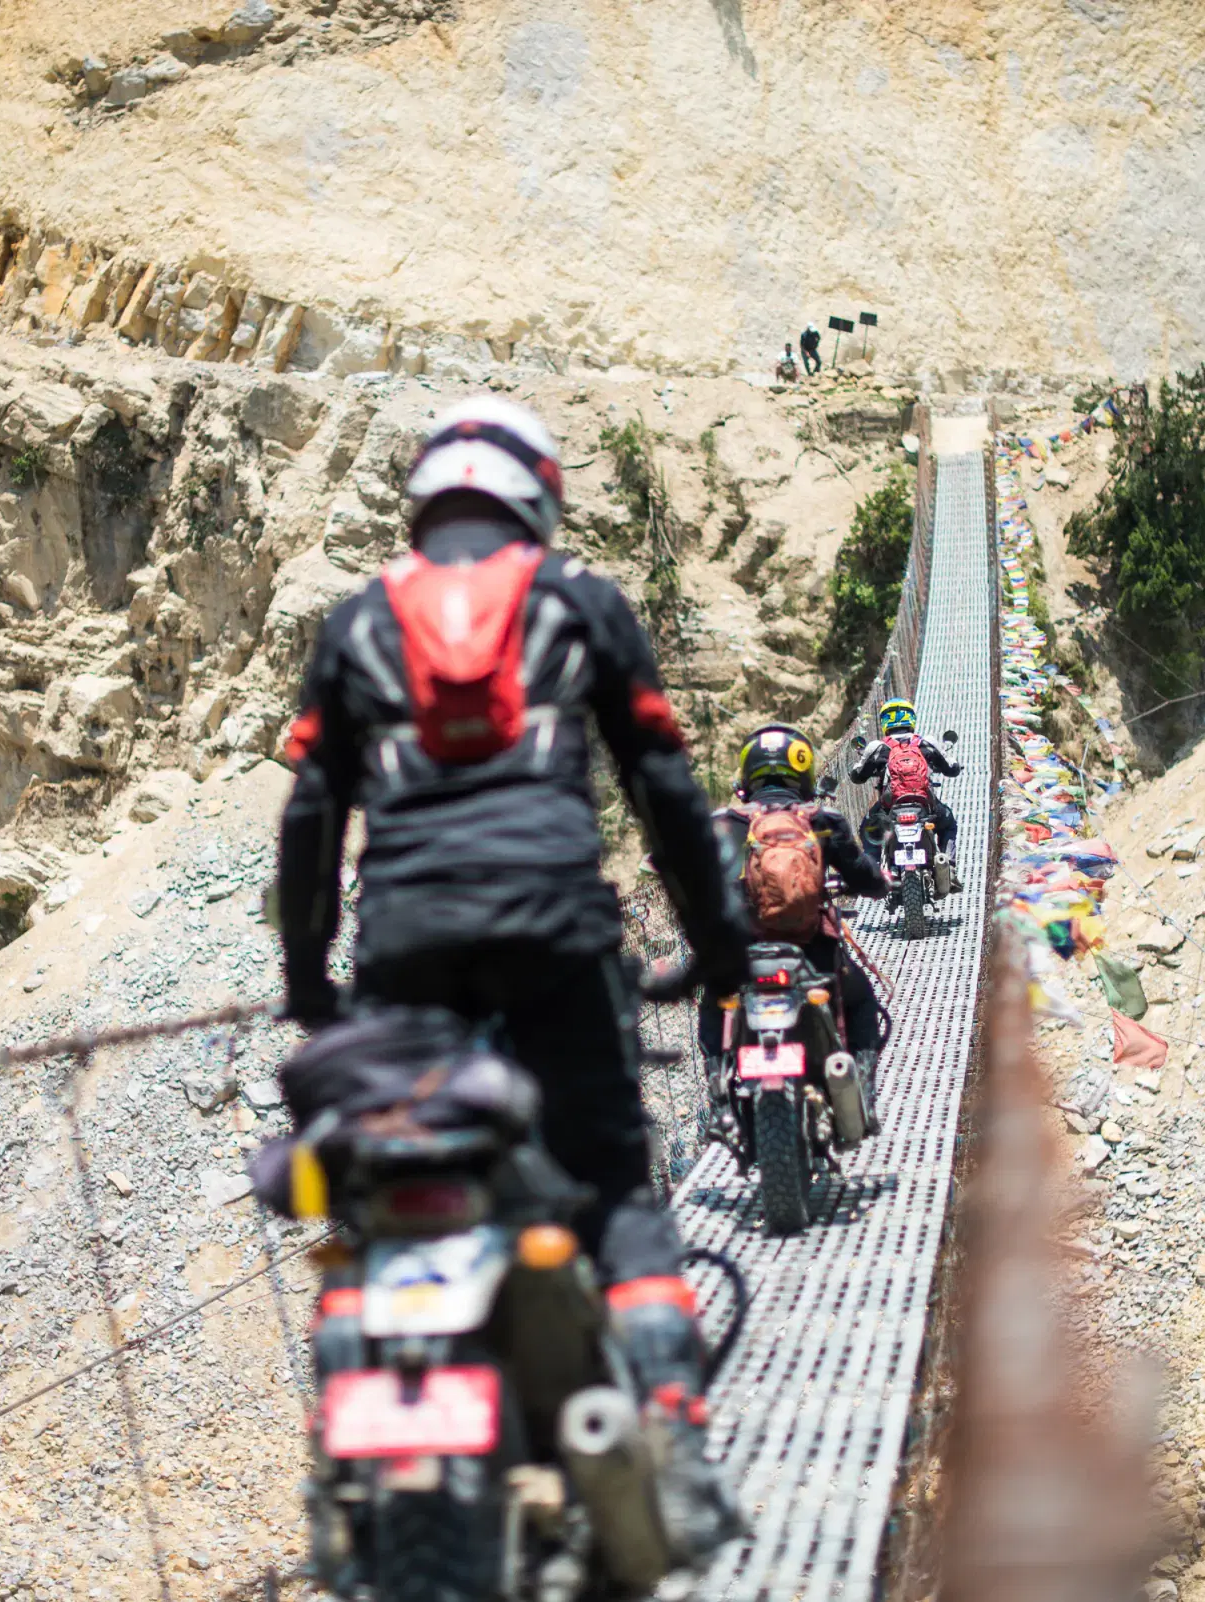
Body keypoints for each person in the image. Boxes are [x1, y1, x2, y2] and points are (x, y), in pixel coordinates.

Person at [274, 394, 750, 1564]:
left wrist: (312, 986)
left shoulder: (353, 623)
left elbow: (310, 818)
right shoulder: (580, 603)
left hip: (402, 957)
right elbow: (669, 796)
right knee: (616, 1192)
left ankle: (355, 1445)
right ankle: (675, 1447)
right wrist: (720, 942)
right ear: (537, 496)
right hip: (558, 941)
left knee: (378, 1188)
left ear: (424, 502)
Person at [698, 724, 890, 1075]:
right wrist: (880, 886)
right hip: (812, 949)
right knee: (861, 1000)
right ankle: (860, 1086)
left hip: (739, 953)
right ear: (804, 773)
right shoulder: (821, 820)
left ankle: (718, 1090)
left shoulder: (722, 824)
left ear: (747, 774)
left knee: (713, 1003)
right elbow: (862, 875)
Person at [848, 698, 964, 894]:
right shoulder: (925, 742)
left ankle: (873, 872)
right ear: (911, 717)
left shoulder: (877, 747)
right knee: (948, 822)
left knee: (867, 828)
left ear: (884, 721)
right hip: (925, 805)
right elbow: (951, 769)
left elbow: (857, 777)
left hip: (890, 808)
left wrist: (861, 764)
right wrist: (951, 762)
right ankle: (949, 866)